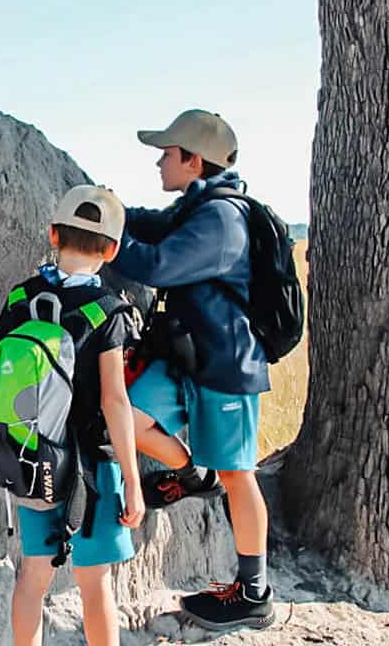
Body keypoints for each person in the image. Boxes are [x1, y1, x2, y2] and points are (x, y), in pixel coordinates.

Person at [115, 109, 274, 631]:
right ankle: (191, 473)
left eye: (167, 152)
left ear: (193, 159)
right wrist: (110, 213)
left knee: (238, 476)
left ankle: (253, 593)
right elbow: (153, 225)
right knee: (125, 415)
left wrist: (104, 246)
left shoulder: (222, 219)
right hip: (185, 358)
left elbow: (160, 264)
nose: (160, 161)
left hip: (224, 367)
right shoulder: (196, 206)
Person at [0, 185, 145, 646]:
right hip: (93, 467)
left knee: (33, 576)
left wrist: (23, 420)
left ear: (53, 234)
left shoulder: (20, 299)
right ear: (111, 250)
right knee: (95, 583)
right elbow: (114, 401)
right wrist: (132, 478)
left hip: (32, 460)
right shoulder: (110, 311)